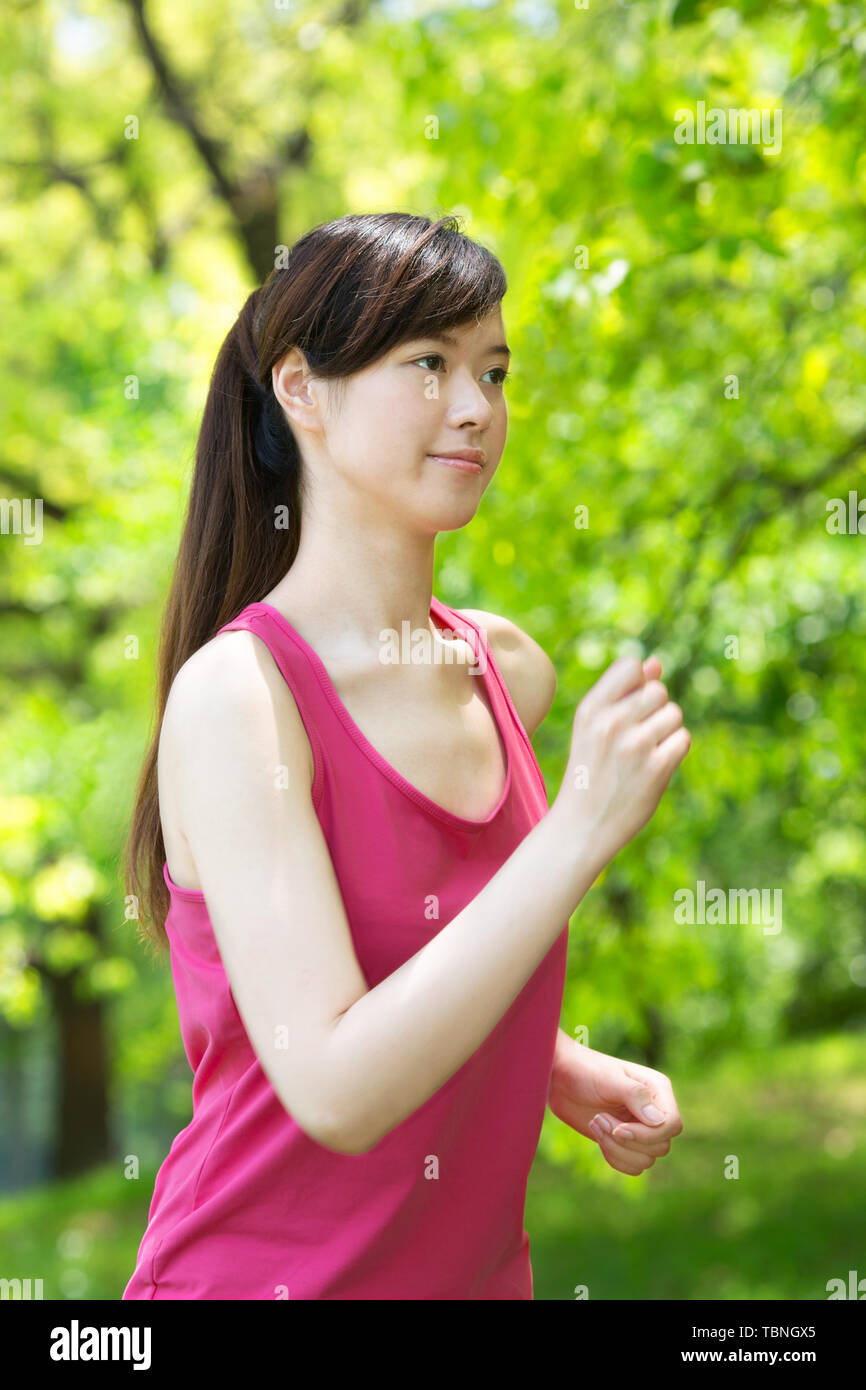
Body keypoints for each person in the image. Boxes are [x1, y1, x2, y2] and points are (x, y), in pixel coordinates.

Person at [121, 211, 689, 1300]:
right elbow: (331, 1082)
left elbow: (403, 959)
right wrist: (573, 832)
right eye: (427, 364)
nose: (477, 408)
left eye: (493, 369)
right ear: (301, 392)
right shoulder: (240, 701)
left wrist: (553, 1065)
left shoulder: (505, 670)